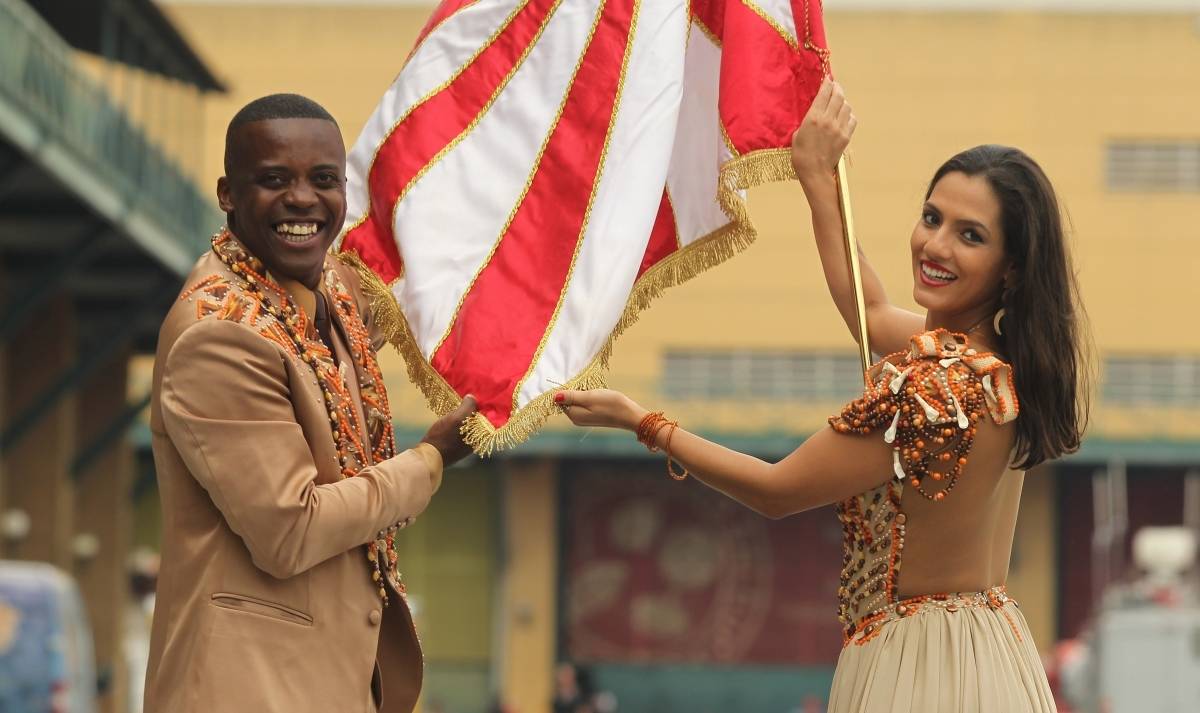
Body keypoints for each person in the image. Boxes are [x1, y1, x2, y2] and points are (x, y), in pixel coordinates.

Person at [554, 78, 1088, 713]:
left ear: (1012, 267)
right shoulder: (1003, 365)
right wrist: (819, 177)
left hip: (918, 668)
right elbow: (868, 307)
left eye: (970, 236)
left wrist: (641, 422)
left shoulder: (933, 386)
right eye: (931, 218)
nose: (935, 246)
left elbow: (776, 490)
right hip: (988, 653)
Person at [145, 94, 477, 713]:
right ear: (227, 194)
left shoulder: (328, 294)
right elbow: (291, 531)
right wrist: (431, 459)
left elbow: (422, 267)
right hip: (247, 692)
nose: (303, 199)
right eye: (275, 180)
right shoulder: (218, 334)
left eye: (324, 180)